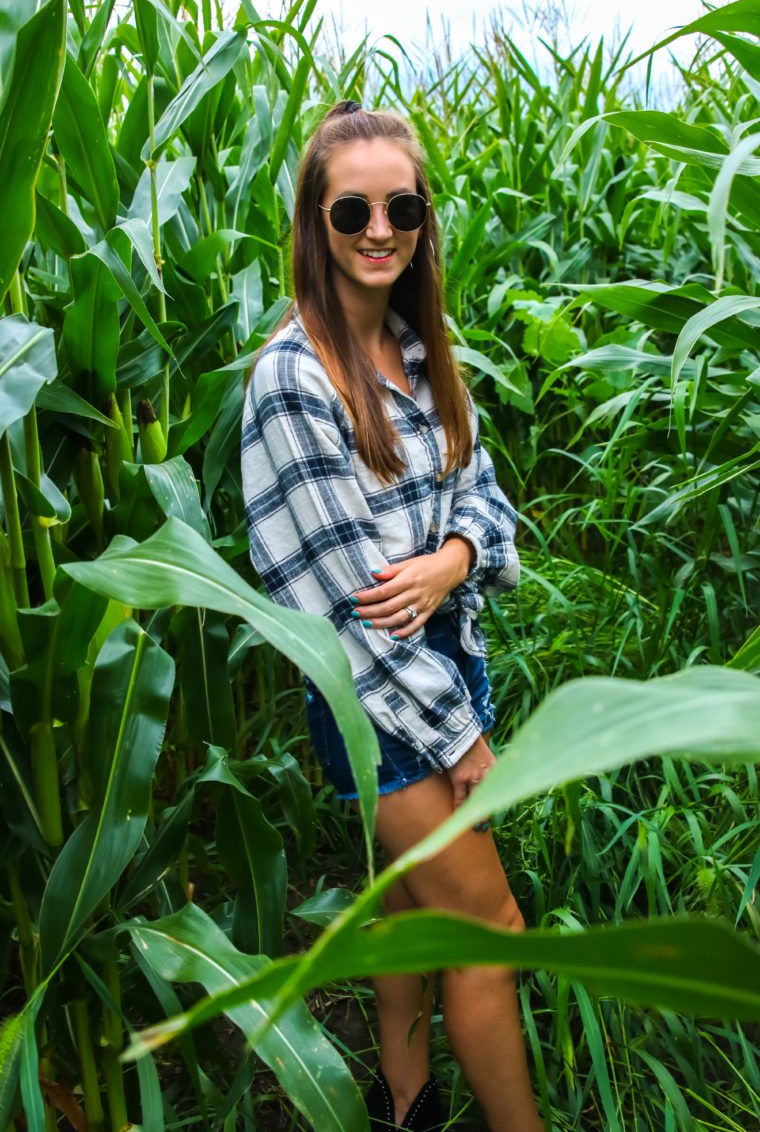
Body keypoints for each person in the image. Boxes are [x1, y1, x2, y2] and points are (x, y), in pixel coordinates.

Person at [241, 101, 542, 1132]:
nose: (379, 229)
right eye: (351, 209)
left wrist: (455, 559)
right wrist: (463, 740)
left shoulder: (421, 348)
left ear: (422, 221)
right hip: (382, 706)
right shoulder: (294, 381)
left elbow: (483, 497)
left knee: (418, 916)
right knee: (489, 930)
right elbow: (362, 616)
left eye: (401, 206)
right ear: (312, 223)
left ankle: (404, 1107)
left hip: (449, 666)